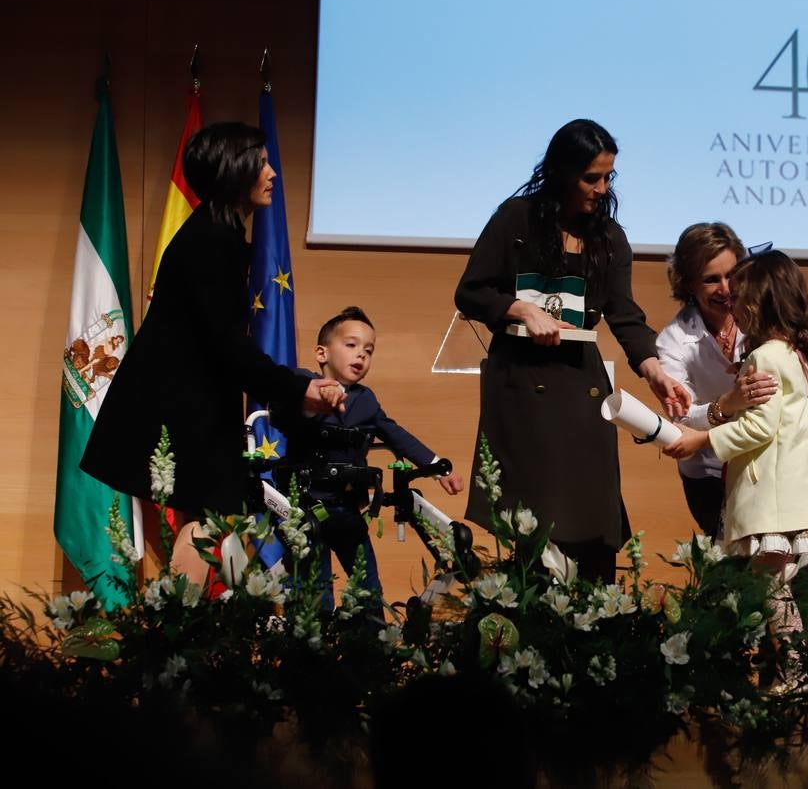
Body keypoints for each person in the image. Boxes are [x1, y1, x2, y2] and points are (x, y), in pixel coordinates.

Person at [81, 122, 341, 584]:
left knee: (211, 521)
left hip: (190, 410)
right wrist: (300, 386)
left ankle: (176, 639)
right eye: (261, 161)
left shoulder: (214, 234)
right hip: (179, 415)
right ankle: (170, 640)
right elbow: (227, 349)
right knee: (209, 523)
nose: (273, 172)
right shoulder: (212, 243)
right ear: (232, 169)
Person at [454, 119, 690, 583]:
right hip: (520, 389)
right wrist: (520, 310)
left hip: (580, 386)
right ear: (562, 172)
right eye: (591, 178)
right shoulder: (515, 218)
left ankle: (594, 622)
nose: (602, 188)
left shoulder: (610, 238)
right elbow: (471, 293)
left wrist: (655, 371)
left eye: (608, 178)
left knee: (590, 522)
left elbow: (625, 315)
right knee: (532, 526)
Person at [664, 251, 808, 654]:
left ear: (753, 303)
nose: (730, 303)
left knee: (766, 580)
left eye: (736, 296)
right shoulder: (793, 351)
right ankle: (798, 664)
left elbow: (759, 427)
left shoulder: (765, 355)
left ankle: (794, 667)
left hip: (775, 495)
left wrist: (700, 439)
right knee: (774, 579)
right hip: (797, 490)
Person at [275, 306, 464, 611]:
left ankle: (369, 645)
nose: (361, 355)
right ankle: (310, 649)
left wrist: (439, 467)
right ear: (322, 353)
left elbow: (396, 435)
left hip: (348, 510)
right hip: (302, 509)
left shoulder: (366, 400)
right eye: (351, 345)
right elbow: (282, 415)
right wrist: (313, 403)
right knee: (313, 593)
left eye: (369, 350)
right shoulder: (303, 383)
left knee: (368, 589)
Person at [656, 223, 777, 536]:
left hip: (766, 458)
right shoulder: (673, 340)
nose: (726, 289)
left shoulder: (765, 318)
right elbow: (682, 419)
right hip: (708, 471)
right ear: (688, 285)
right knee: (729, 563)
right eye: (712, 280)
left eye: (732, 274)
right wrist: (726, 405)